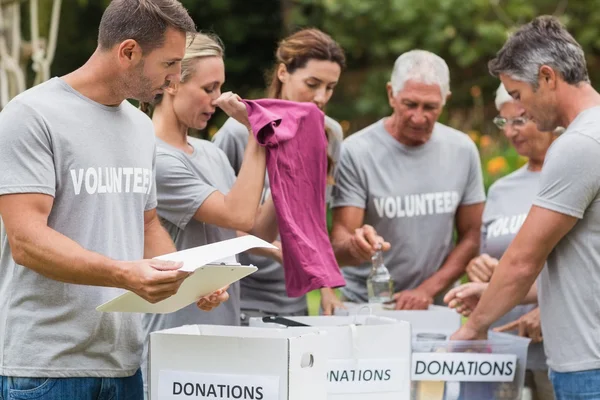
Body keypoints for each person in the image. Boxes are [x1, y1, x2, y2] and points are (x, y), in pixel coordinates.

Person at [0, 1, 229, 398]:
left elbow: (146, 224)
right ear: (128, 52)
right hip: (46, 368)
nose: (175, 79)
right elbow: (26, 242)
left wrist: (187, 280)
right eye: (170, 64)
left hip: (124, 363)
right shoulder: (31, 115)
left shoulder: (141, 127)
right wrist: (124, 274)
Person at [451, 16, 600, 399]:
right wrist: (490, 292)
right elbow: (584, 263)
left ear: (548, 78)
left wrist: (472, 329)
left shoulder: (579, 144)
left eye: (517, 94)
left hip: (588, 365)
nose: (520, 109)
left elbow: (522, 260)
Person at [139, 32, 279, 392]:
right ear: (171, 84)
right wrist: (256, 134)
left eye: (220, 88)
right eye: (208, 88)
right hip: (174, 341)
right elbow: (239, 214)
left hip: (222, 331)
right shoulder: (155, 158)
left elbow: (243, 233)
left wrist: (289, 179)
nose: (217, 100)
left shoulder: (210, 153)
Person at [330, 50, 485, 309]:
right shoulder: (357, 152)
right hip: (368, 303)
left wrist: (427, 290)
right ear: (391, 94)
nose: (419, 117)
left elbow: (472, 235)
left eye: (430, 107)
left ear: (445, 100)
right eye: (410, 104)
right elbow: (340, 238)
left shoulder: (462, 150)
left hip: (435, 303)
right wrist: (356, 245)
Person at [213, 28, 346, 321]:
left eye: (330, 87)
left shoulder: (330, 133)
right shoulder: (239, 131)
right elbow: (216, 225)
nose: (321, 97)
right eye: (312, 84)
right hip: (242, 296)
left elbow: (314, 220)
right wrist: (274, 249)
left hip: (295, 299)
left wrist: (326, 288)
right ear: (283, 73)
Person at [445, 83, 556, 400]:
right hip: (499, 348)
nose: (509, 132)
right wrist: (477, 267)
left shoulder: (571, 176)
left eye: (519, 120)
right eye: (502, 122)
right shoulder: (501, 189)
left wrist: (546, 306)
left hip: (553, 349)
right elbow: (492, 259)